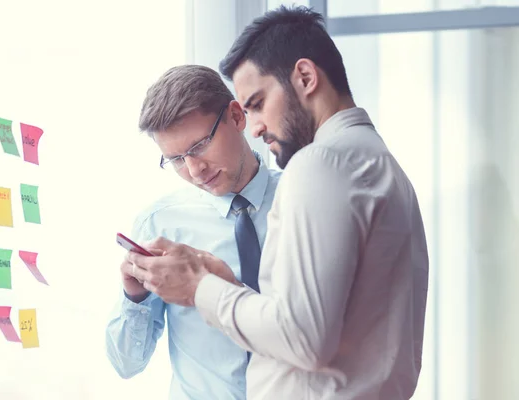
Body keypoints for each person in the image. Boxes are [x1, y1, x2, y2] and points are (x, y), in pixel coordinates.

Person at [126, 6, 430, 400]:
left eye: (257, 103)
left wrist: (198, 286)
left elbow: (302, 339)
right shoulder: (382, 165)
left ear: (305, 78)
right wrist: (230, 287)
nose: (256, 126)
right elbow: (326, 325)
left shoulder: (319, 164)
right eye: (177, 159)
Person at [105, 64, 281, 400]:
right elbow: (126, 363)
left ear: (236, 116)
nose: (194, 170)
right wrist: (135, 298)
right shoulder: (160, 223)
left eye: (199, 146)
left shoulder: (301, 202)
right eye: (175, 159)